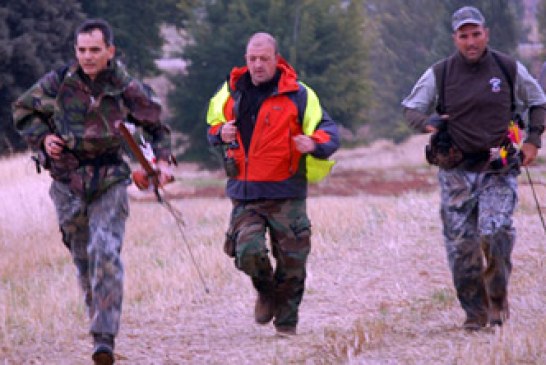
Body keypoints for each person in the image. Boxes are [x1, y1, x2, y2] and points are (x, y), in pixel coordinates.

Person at [12, 19, 172, 364]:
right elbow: (23, 111)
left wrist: (160, 162)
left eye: (94, 50)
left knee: (105, 250)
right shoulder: (58, 82)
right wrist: (43, 139)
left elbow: (157, 127)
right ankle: (97, 322)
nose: (87, 56)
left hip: (110, 178)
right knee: (84, 259)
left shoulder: (125, 86)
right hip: (67, 182)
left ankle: (104, 337)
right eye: (82, 50)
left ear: (109, 51)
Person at [402, 6, 546, 331]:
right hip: (455, 172)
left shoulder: (507, 68)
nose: (470, 42)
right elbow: (410, 109)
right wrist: (429, 123)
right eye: (463, 36)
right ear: (455, 38)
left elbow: (539, 101)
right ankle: (474, 313)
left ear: (486, 34)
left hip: (498, 166)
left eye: (476, 34)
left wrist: (533, 141)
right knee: (462, 249)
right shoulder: (440, 73)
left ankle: (497, 298)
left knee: (495, 233)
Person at [206, 32, 340, 336]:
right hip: (245, 193)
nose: (257, 65)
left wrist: (314, 143)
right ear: (246, 60)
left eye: (263, 58)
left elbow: (329, 131)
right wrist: (219, 134)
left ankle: (287, 326)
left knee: (292, 264)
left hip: (287, 193)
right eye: (252, 59)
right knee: (248, 252)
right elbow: (212, 127)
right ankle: (265, 290)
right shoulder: (230, 93)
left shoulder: (299, 94)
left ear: (276, 59)